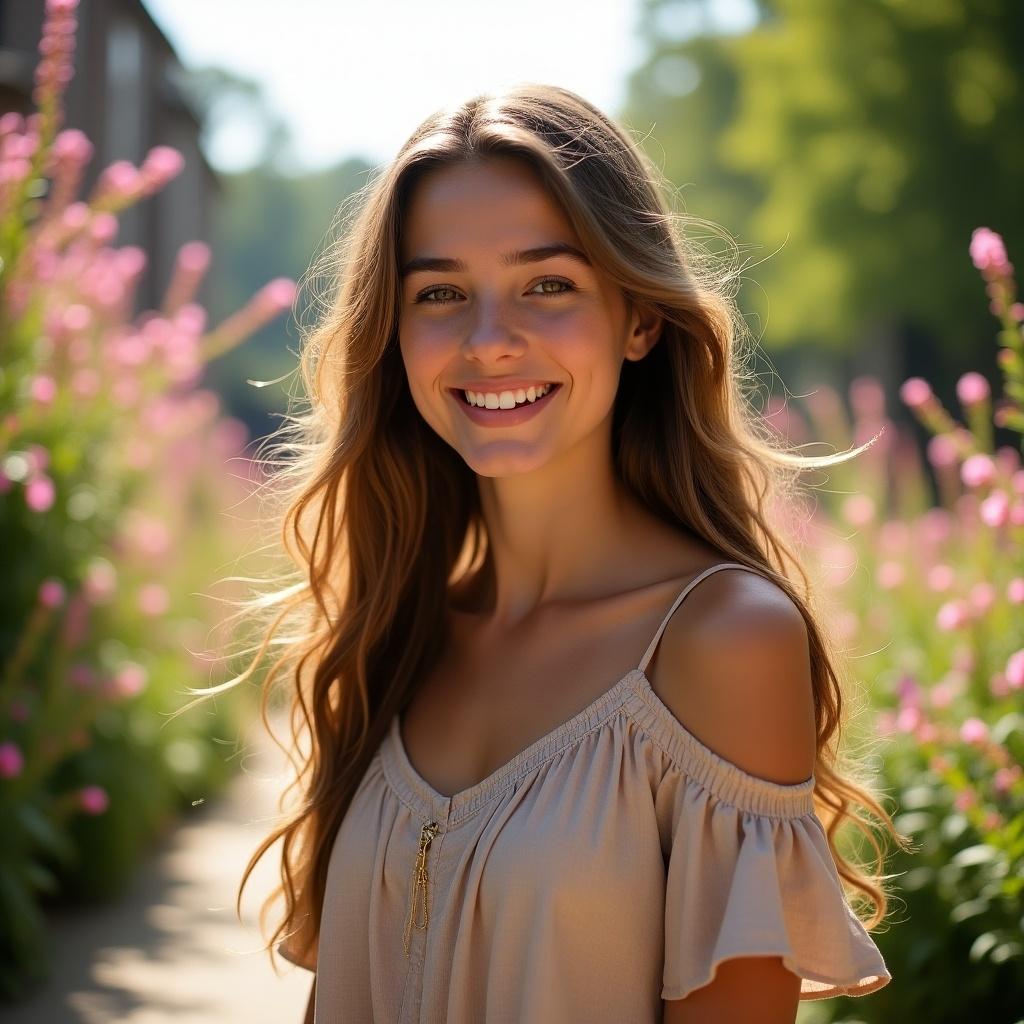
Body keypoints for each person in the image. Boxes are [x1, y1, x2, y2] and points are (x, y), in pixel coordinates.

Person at [230, 83, 906, 1023]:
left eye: (547, 284)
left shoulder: (723, 643)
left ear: (639, 319)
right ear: (396, 334)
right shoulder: (398, 629)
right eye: (440, 293)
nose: (489, 341)